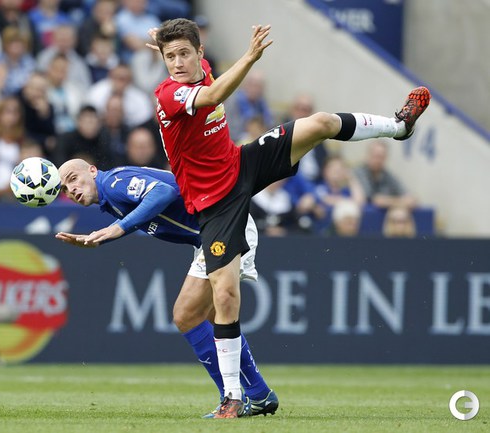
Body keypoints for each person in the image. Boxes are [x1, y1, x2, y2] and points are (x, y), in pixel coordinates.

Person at [150, 18, 430, 418]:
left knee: (321, 123)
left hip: (241, 164)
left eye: (183, 54)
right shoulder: (170, 93)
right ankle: (234, 398)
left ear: (200, 53)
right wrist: (249, 57)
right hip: (215, 203)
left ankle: (399, 127)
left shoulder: (199, 69)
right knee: (223, 297)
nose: (177, 63)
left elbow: (198, 71)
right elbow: (212, 94)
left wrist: (160, 40)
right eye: (170, 57)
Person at [55, 158, 278, 418]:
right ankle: (259, 394)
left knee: (186, 315)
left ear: (93, 171)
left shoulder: (114, 182)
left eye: (73, 179)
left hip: (225, 227)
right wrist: (102, 237)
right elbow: (144, 211)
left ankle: (231, 400)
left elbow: (163, 192)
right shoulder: (111, 195)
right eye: (65, 189)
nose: (72, 189)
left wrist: (117, 228)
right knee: (209, 318)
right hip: (216, 230)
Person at [354, 139, 418, 210]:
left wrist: (388, 201)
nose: (378, 160)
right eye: (376, 156)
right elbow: (372, 198)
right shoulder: (359, 172)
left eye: (381, 157)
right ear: (368, 155)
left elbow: (410, 198)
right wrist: (399, 202)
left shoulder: (388, 176)